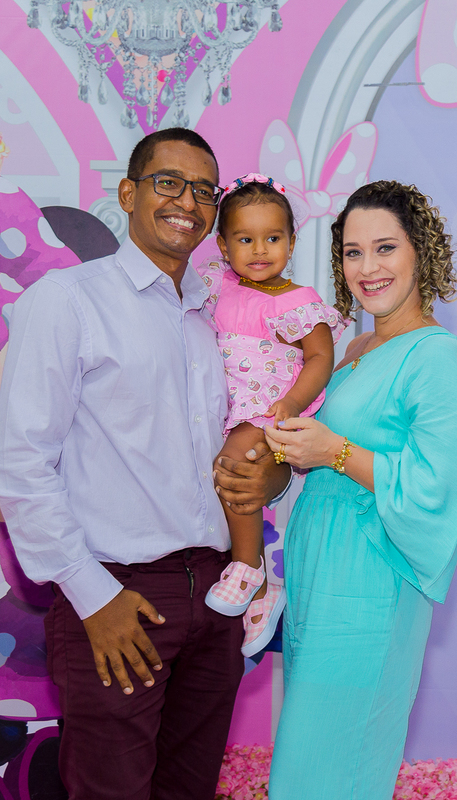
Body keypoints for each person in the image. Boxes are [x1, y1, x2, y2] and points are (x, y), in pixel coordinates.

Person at [0, 128, 290, 800]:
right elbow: (20, 465)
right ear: (128, 194)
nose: (187, 201)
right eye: (168, 183)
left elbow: (244, 441)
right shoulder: (69, 299)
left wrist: (273, 476)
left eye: (204, 190)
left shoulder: (217, 316)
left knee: (189, 789)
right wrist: (92, 596)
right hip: (118, 594)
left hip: (216, 593)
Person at [263, 180, 457, 798]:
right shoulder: (357, 347)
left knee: (332, 764)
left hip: (373, 574)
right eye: (353, 253)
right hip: (319, 570)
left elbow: (435, 487)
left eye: (385, 248)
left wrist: (332, 451)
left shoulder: (439, 357)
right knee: (311, 757)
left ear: (420, 252)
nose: (368, 268)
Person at [196, 173, 347, 656]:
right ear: (223, 245)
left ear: (292, 242)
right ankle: (262, 592)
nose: (260, 250)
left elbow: (320, 357)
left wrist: (293, 403)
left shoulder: (299, 301)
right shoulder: (216, 286)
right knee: (223, 476)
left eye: (273, 238)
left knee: (236, 470)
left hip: (268, 405)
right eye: (245, 239)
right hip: (225, 405)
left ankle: (247, 567)